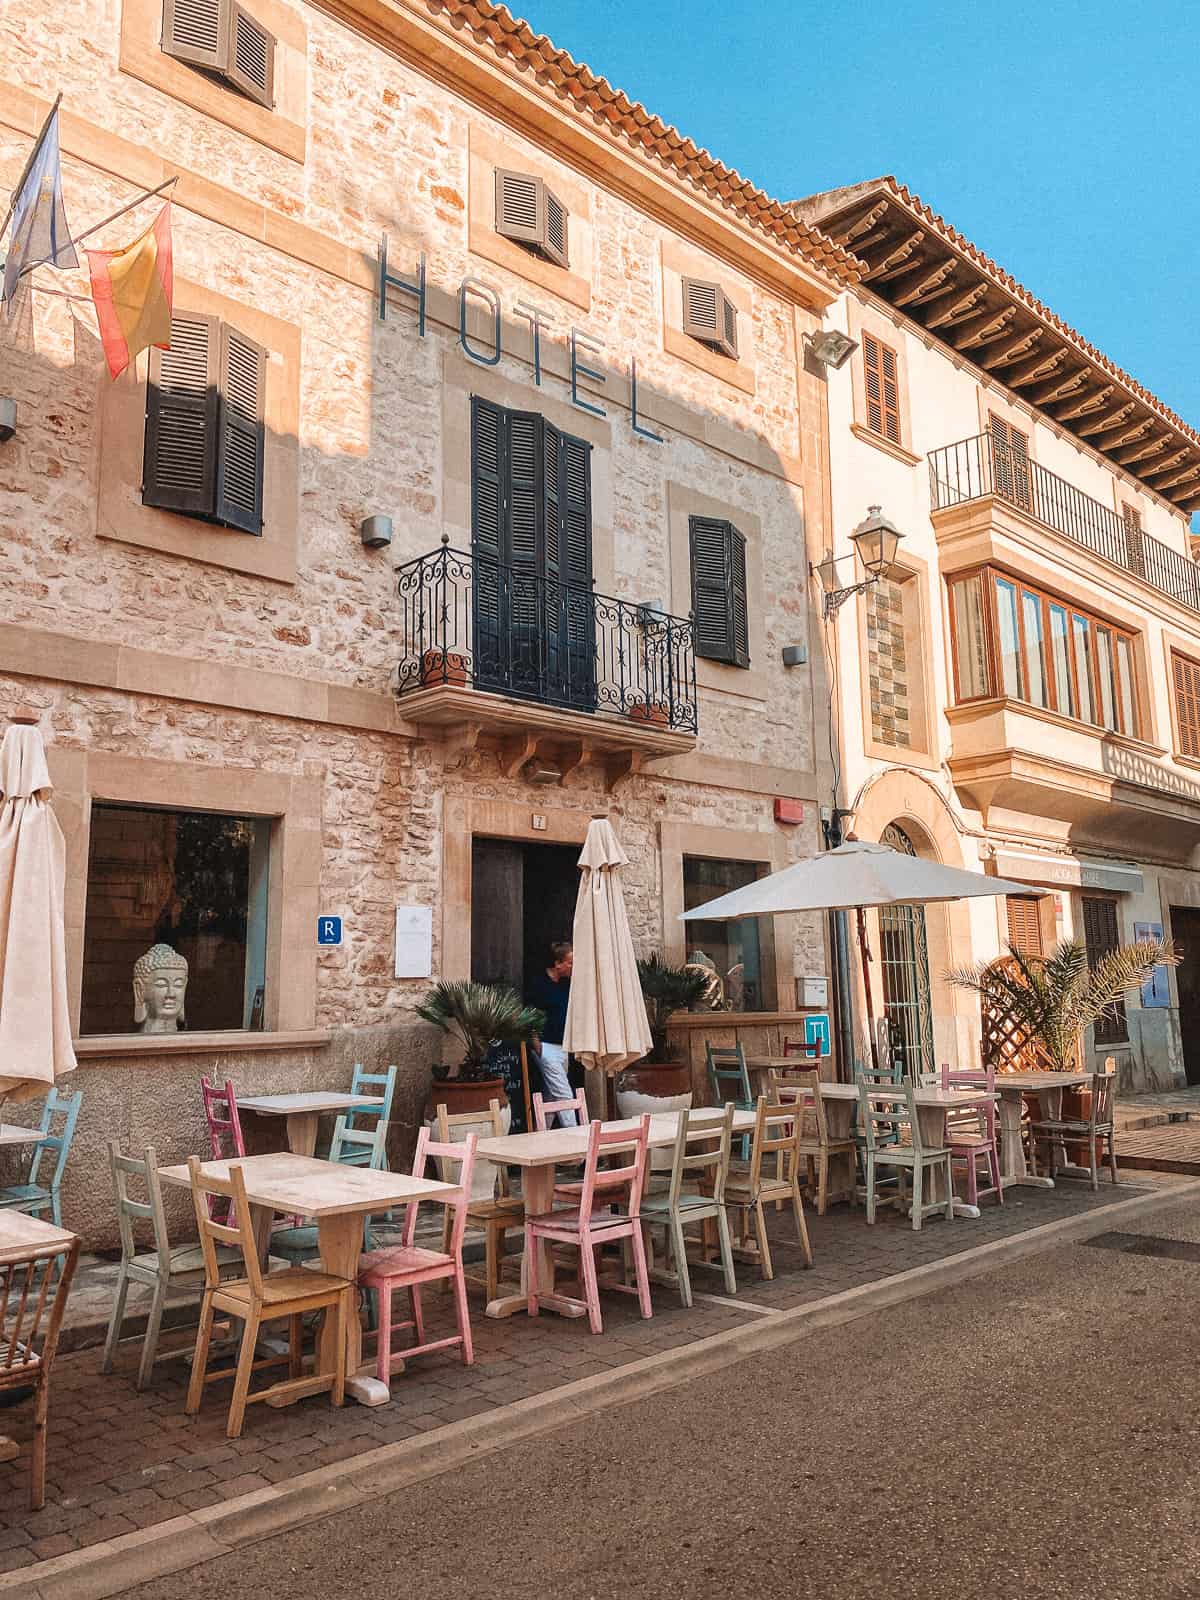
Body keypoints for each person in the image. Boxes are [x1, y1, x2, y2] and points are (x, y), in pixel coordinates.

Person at [528, 940, 578, 1127]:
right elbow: (530, 1015)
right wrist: (538, 1046)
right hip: (546, 1047)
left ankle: (542, 1136)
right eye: (570, 962)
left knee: (551, 1096)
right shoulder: (539, 985)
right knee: (564, 1095)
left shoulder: (567, 985)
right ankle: (578, 1146)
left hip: (562, 1047)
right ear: (558, 964)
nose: (572, 967)